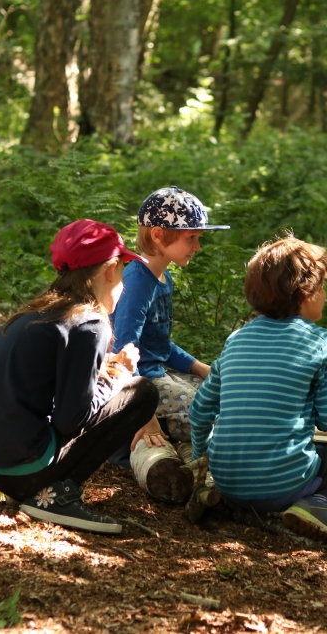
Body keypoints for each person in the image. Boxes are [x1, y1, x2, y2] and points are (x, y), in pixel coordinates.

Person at [189, 235, 327, 548]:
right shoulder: (323, 343)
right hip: (285, 484)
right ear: (305, 293)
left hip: (227, 481)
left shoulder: (236, 340)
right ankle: (324, 506)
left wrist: (202, 462)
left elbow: (199, 411)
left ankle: (220, 494)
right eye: (321, 287)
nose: (324, 294)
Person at [0, 220, 159, 534]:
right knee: (143, 392)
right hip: (26, 469)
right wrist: (120, 374)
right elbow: (73, 418)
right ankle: (55, 496)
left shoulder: (39, 313)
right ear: (109, 271)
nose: (123, 283)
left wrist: (105, 370)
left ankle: (36, 488)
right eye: (123, 271)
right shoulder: (89, 322)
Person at [109, 186, 229, 463]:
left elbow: (157, 342)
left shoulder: (164, 278)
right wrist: (143, 416)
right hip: (142, 384)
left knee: (223, 394)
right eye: (191, 238)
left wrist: (198, 368)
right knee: (209, 414)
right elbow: (122, 352)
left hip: (159, 374)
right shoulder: (138, 281)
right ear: (159, 235)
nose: (197, 247)